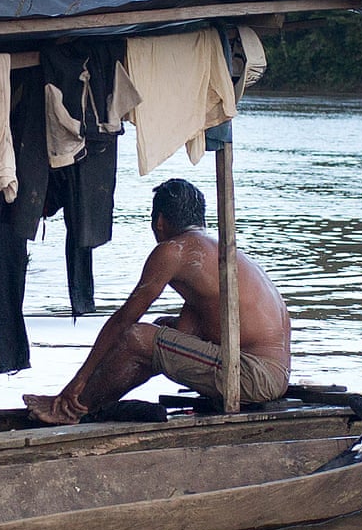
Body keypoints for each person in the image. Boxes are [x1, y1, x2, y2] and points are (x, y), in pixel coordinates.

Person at [24, 177, 291, 425]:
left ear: (159, 221)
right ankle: (89, 406)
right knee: (162, 328)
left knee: (137, 337)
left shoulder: (175, 251)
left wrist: (77, 381)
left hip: (253, 375)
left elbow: (124, 321)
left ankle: (72, 408)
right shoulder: (217, 249)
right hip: (273, 375)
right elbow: (186, 331)